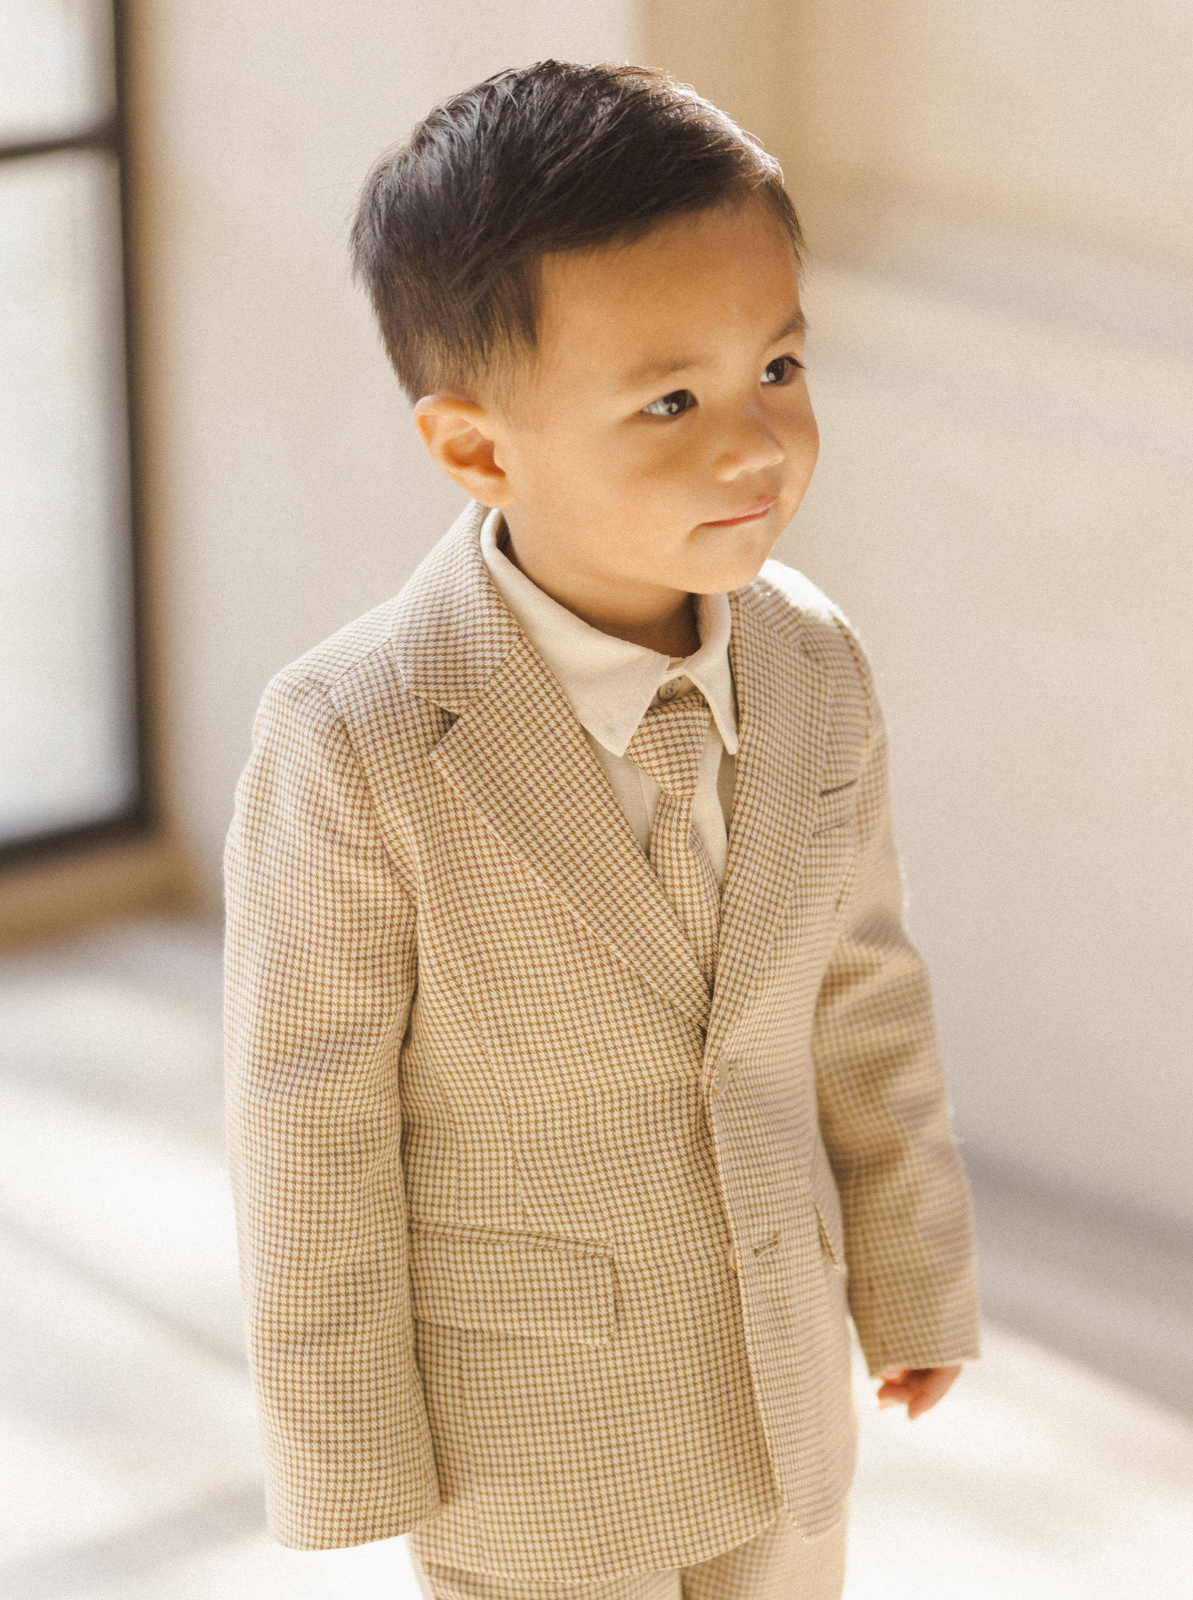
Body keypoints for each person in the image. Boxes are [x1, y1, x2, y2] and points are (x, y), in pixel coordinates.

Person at [223, 59, 981, 1600]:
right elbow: (312, 1128)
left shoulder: (815, 661)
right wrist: (347, 1452)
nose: (755, 444)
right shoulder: (353, 739)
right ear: (478, 448)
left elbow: (863, 990)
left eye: (778, 369)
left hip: (782, 1398)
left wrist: (912, 1280)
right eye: (671, 401)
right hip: (534, 1446)